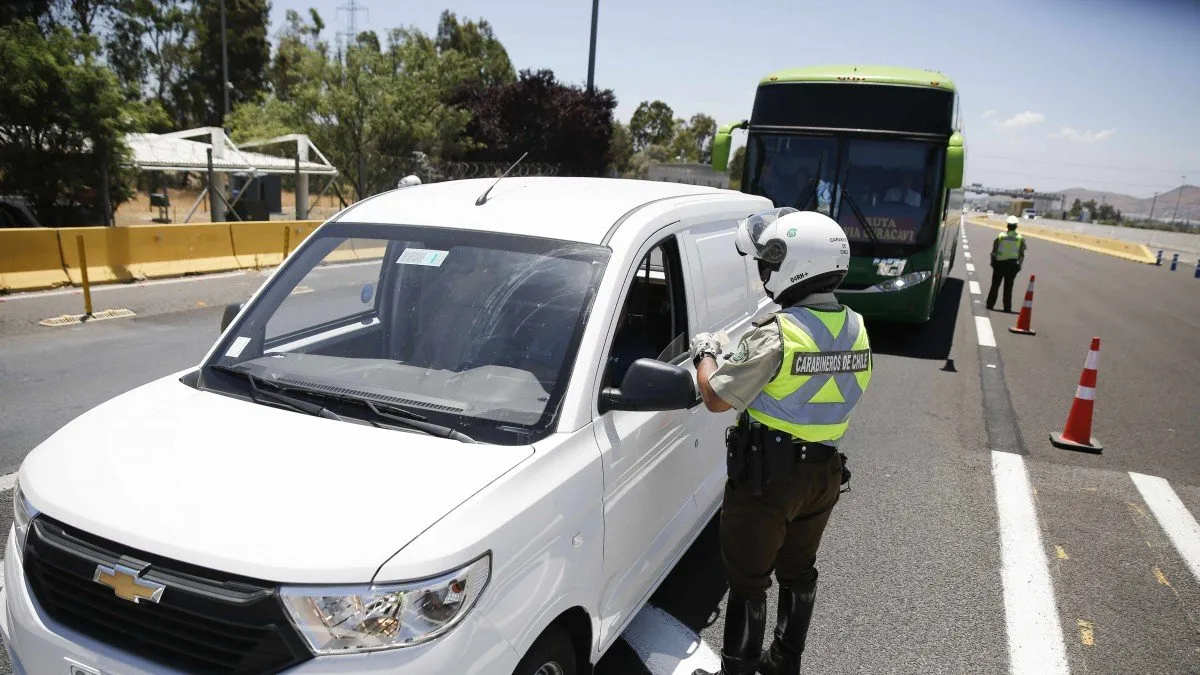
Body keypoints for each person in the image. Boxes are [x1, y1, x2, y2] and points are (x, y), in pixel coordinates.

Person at [689, 208, 873, 675]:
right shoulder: (855, 327)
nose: (765, 272)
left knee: (749, 580)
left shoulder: (777, 335)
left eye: (769, 263)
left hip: (769, 479)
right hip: (824, 475)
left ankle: (739, 670)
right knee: (799, 570)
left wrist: (706, 352)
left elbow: (714, 397)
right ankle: (784, 663)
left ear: (793, 266)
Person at [987, 215, 1027, 312]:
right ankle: (1007, 307)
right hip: (1012, 265)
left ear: (1007, 226)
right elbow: (1021, 255)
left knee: (995, 285)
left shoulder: (1000, 236)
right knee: (1008, 287)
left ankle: (990, 305)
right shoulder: (1020, 238)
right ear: (1016, 226)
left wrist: (992, 262)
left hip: (999, 264)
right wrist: (1019, 266)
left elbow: (993, 251)